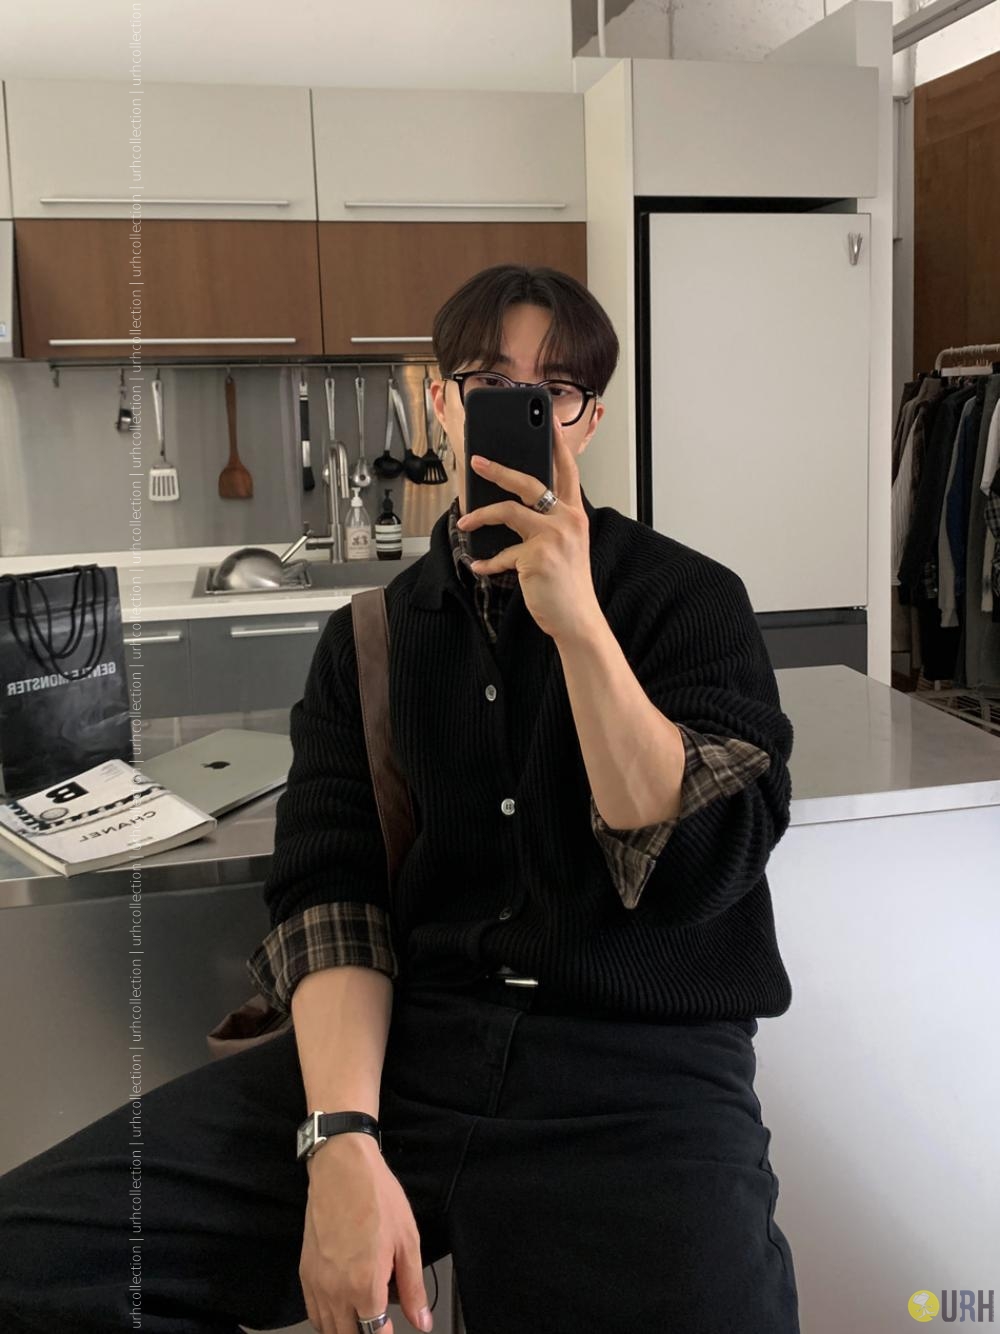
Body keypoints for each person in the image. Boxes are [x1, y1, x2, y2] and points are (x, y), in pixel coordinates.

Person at [0, 264, 799, 1334]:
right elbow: (333, 899)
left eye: (554, 390)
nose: (520, 408)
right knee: (34, 1262)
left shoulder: (687, 597)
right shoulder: (372, 638)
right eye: (489, 382)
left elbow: (700, 863)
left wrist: (579, 626)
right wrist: (340, 1138)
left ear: (589, 420)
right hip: (414, 1052)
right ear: (440, 402)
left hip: (639, 1071)